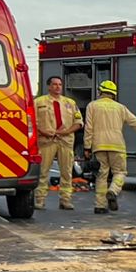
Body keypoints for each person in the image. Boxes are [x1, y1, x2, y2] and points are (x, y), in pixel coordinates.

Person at [82, 80, 136, 214]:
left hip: (99, 145)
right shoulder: (120, 108)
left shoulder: (92, 106)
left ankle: (100, 206)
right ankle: (113, 190)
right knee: (120, 172)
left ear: (100, 91)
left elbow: (88, 128)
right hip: (117, 145)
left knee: (102, 174)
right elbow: (135, 122)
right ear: (114, 94)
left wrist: (87, 147)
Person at [33, 75, 81, 210]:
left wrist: (65, 132)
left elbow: (78, 122)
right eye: (54, 84)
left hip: (65, 141)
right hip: (47, 141)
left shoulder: (70, 103)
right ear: (49, 86)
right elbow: (31, 121)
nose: (57, 87)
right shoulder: (39, 102)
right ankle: (40, 199)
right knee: (43, 171)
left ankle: (65, 200)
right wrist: (43, 132)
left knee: (66, 172)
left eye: (60, 84)